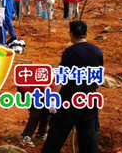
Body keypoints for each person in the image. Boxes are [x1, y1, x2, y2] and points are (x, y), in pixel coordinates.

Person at [42, 21, 104, 152]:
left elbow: (60, 78)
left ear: (71, 35)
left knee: (56, 137)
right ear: (86, 33)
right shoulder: (97, 51)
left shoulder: (70, 51)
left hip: (69, 99)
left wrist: (53, 99)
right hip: (90, 99)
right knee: (89, 140)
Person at [18, 81, 51, 147]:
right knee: (36, 111)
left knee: (46, 109)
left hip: (41, 89)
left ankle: (41, 134)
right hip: (27, 89)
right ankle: (26, 136)